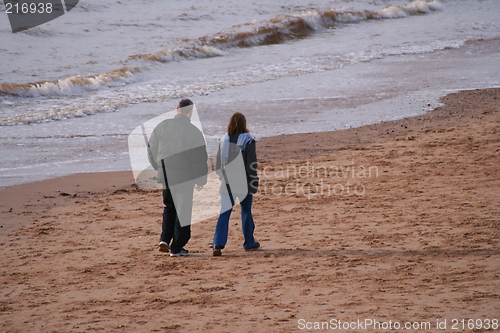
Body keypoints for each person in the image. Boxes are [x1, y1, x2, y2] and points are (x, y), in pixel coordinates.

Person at [147, 99, 208, 257]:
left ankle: (164, 240)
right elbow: (199, 159)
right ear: (190, 112)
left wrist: (158, 167)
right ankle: (176, 247)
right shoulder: (194, 132)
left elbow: (151, 149)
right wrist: (200, 180)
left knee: (169, 207)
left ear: (177, 110)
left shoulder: (162, 126)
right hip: (184, 178)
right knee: (183, 211)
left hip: (166, 174)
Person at [212, 112, 260, 256]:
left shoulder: (224, 140)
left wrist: (222, 178)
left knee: (224, 213)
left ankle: (217, 243)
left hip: (227, 181)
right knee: (245, 211)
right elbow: (251, 164)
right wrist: (253, 180)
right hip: (243, 182)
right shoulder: (248, 140)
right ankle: (249, 242)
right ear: (244, 124)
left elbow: (218, 165)